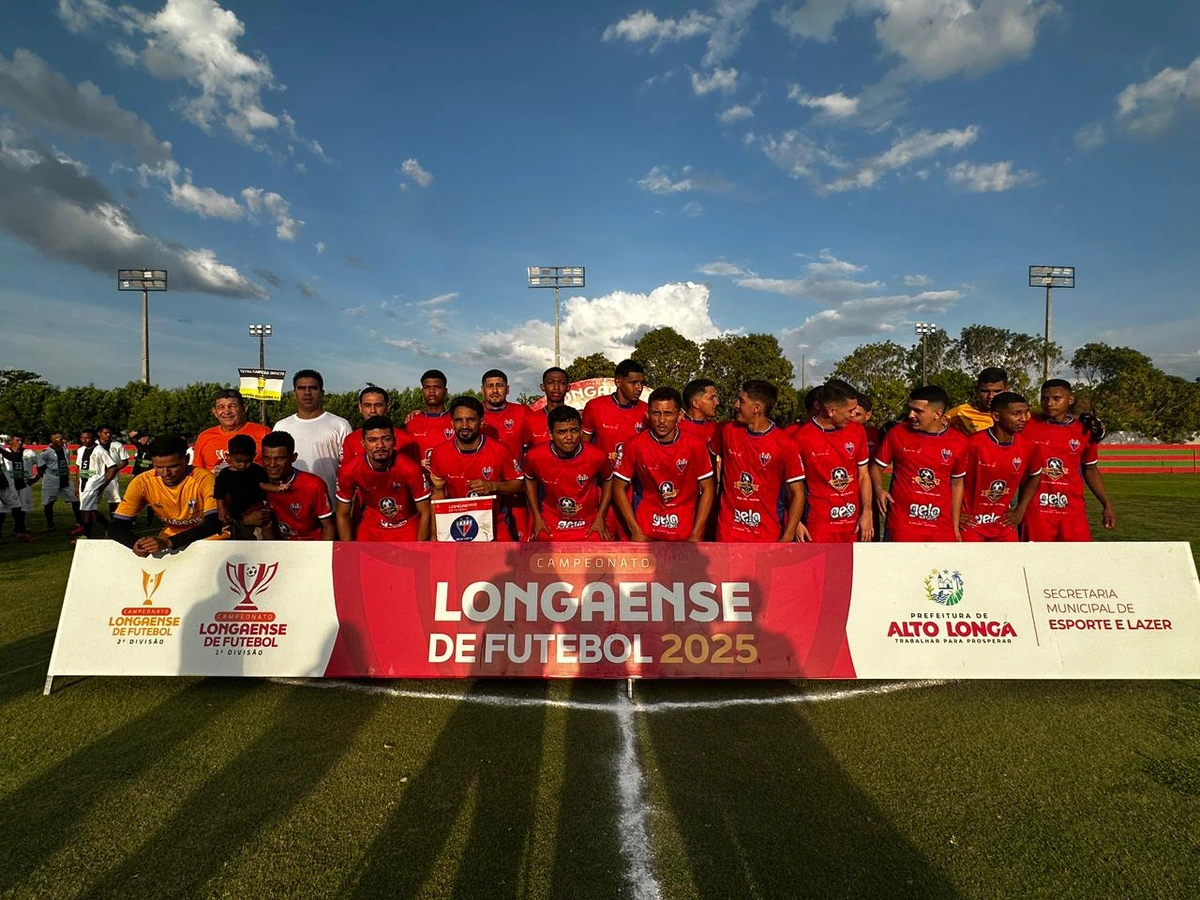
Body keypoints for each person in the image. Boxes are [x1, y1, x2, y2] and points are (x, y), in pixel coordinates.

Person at [1016, 379, 1116, 541]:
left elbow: (1090, 469)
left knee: (1076, 562)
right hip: (1036, 511)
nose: (1049, 403)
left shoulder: (1084, 430)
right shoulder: (1026, 425)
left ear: (1070, 400)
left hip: (1072, 511)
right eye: (1044, 398)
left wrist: (1106, 505)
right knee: (1036, 563)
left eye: (1056, 398)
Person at [612, 387, 714, 542]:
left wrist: (696, 533)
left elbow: (708, 488)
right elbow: (618, 487)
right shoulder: (635, 445)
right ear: (647, 413)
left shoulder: (695, 445)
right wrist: (635, 530)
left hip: (684, 532)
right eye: (656, 413)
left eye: (668, 413)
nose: (661, 420)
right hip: (647, 530)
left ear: (679, 415)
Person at [870, 386, 968, 542]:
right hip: (902, 525)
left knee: (939, 567)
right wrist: (878, 488)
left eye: (918, 411)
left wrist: (954, 525)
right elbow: (876, 468)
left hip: (940, 528)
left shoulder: (959, 442)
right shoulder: (897, 433)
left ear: (937, 414)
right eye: (910, 409)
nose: (911, 415)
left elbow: (957, 484)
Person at [716, 380, 805, 543]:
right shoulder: (728, 431)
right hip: (728, 533)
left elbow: (798, 494)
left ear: (757, 408)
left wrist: (788, 535)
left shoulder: (784, 443)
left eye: (741, 401)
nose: (736, 405)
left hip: (766, 536)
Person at [108, 435, 222, 557]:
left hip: (211, 539)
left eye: (173, 466)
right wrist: (136, 543)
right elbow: (115, 527)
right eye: (159, 467)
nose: (166, 473)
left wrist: (169, 542)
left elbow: (214, 523)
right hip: (170, 540)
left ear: (187, 459)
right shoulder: (142, 482)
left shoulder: (204, 479)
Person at [428, 396, 522, 540]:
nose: (464, 425)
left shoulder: (499, 450)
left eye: (470, 420)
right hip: (455, 526)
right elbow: (437, 495)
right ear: (452, 423)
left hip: (494, 524)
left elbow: (519, 484)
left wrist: (493, 486)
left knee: (502, 562)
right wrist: (435, 534)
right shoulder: (439, 453)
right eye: (459, 420)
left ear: (481, 422)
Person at [791, 382, 874, 543]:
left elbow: (863, 476)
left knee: (850, 568)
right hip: (818, 525)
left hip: (853, 524)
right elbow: (792, 487)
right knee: (821, 568)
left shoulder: (857, 431)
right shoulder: (801, 438)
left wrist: (867, 512)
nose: (854, 414)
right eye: (850, 411)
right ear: (831, 411)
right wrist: (797, 522)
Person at [958, 391, 1042, 542]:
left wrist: (1020, 511)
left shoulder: (1028, 446)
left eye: (1025, 413)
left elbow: (1035, 475)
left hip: (1003, 523)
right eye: (1016, 413)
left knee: (1011, 565)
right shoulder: (972, 444)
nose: (1023, 419)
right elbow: (951, 479)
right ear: (996, 416)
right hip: (971, 524)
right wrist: (955, 513)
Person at [523, 405, 613, 541]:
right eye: (562, 432)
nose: (569, 437)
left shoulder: (597, 456)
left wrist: (600, 517)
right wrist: (537, 517)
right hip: (551, 522)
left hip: (588, 522)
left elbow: (608, 479)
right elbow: (529, 479)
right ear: (550, 434)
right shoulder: (535, 456)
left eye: (574, 430)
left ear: (581, 431)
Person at [335, 416, 432, 541]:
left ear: (395, 441)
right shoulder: (349, 470)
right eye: (372, 440)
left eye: (386, 439)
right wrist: (347, 550)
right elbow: (342, 513)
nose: (380, 445)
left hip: (406, 525)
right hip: (371, 527)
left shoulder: (410, 468)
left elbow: (425, 512)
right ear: (363, 443)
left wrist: (419, 547)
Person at [583, 358, 649, 538]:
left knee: (634, 541)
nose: (639, 388)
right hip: (602, 487)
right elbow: (584, 448)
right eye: (633, 383)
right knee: (603, 540)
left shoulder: (647, 412)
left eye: (641, 383)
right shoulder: (595, 407)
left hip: (633, 488)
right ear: (618, 382)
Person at [272, 369, 352, 506]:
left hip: (329, 505)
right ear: (294, 394)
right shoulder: (281, 426)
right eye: (301, 388)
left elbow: (349, 469)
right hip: (289, 505)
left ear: (322, 393)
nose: (307, 393)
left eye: (313, 388)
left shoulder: (340, 425)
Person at [480, 369, 531, 538]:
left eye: (499, 386)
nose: (495, 390)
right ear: (482, 389)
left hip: (515, 490)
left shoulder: (522, 412)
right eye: (490, 386)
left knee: (521, 542)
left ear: (507, 389)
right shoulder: (472, 414)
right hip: (483, 491)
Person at [259, 431, 335, 540]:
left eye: (280, 459)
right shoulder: (257, 482)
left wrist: (322, 555)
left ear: (293, 457)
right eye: (267, 458)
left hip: (311, 547)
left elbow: (328, 526)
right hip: (277, 548)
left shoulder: (313, 485)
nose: (272, 464)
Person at [213, 434, 282, 540]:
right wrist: (221, 510)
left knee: (267, 528)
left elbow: (264, 486)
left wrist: (277, 488)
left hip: (258, 510)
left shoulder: (258, 471)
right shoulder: (224, 475)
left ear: (253, 456)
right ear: (229, 457)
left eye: (247, 462)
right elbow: (219, 494)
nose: (242, 465)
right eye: (238, 462)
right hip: (236, 513)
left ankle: (270, 548)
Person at [191, 389, 272, 472]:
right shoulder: (204, 437)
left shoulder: (263, 433)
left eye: (232, 406)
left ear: (244, 409)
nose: (227, 412)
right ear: (215, 412)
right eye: (221, 407)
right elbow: (197, 472)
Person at [76, 427, 119, 540]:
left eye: (88, 438)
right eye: (82, 438)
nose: (85, 440)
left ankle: (86, 535)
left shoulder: (100, 451)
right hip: (83, 482)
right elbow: (79, 468)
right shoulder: (81, 450)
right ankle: (110, 528)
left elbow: (113, 468)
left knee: (86, 510)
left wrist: (104, 483)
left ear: (94, 438)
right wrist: (77, 486)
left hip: (93, 483)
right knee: (91, 510)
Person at [405, 369, 455, 466]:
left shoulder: (457, 420)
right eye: (427, 387)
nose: (432, 391)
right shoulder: (411, 421)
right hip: (419, 480)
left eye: (437, 387)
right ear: (422, 391)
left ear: (445, 391)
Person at [0, 433, 40, 541]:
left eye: (21, 440)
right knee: (2, 509)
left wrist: (35, 478)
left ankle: (19, 531)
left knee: (17, 508)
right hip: (5, 483)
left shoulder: (26, 453)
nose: (20, 443)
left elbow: (12, 457)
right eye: (17, 440)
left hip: (12, 484)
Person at [946, 367, 1008, 436]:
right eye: (985, 391)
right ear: (977, 390)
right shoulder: (959, 414)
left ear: (1006, 391)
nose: (990, 396)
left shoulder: (1015, 416)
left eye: (997, 391)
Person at [38, 432, 80, 532]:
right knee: (49, 503)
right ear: (53, 440)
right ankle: (50, 524)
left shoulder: (65, 450)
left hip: (66, 480)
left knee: (76, 500)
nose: (62, 440)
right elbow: (40, 467)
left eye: (62, 438)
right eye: (59, 439)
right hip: (52, 481)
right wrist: (42, 477)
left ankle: (80, 522)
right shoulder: (46, 452)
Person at [522, 367, 570, 450]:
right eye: (551, 383)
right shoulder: (530, 420)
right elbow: (526, 451)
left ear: (568, 387)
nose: (556, 387)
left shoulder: (577, 418)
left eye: (561, 383)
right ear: (543, 387)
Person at [680, 378, 723, 459]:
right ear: (695, 403)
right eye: (711, 398)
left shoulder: (718, 429)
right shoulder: (676, 430)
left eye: (716, 398)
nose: (717, 402)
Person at [95, 425, 128, 516]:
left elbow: (125, 461)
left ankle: (114, 520)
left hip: (112, 478)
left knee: (114, 500)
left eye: (109, 433)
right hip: (96, 477)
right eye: (105, 433)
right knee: (92, 500)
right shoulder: (94, 445)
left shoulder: (117, 445)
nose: (108, 435)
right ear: (99, 433)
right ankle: (89, 521)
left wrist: (114, 470)